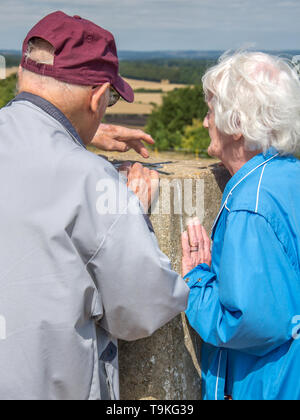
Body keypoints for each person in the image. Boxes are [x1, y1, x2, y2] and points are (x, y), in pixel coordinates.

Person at [0, 11, 189, 400]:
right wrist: (131, 214)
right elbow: (142, 309)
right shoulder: (93, 179)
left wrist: (76, 131)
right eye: (111, 99)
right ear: (99, 97)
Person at [181, 51, 300, 400]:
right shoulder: (289, 176)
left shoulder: (252, 204)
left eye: (210, 111)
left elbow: (250, 323)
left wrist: (198, 285)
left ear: (235, 122)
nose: (205, 122)